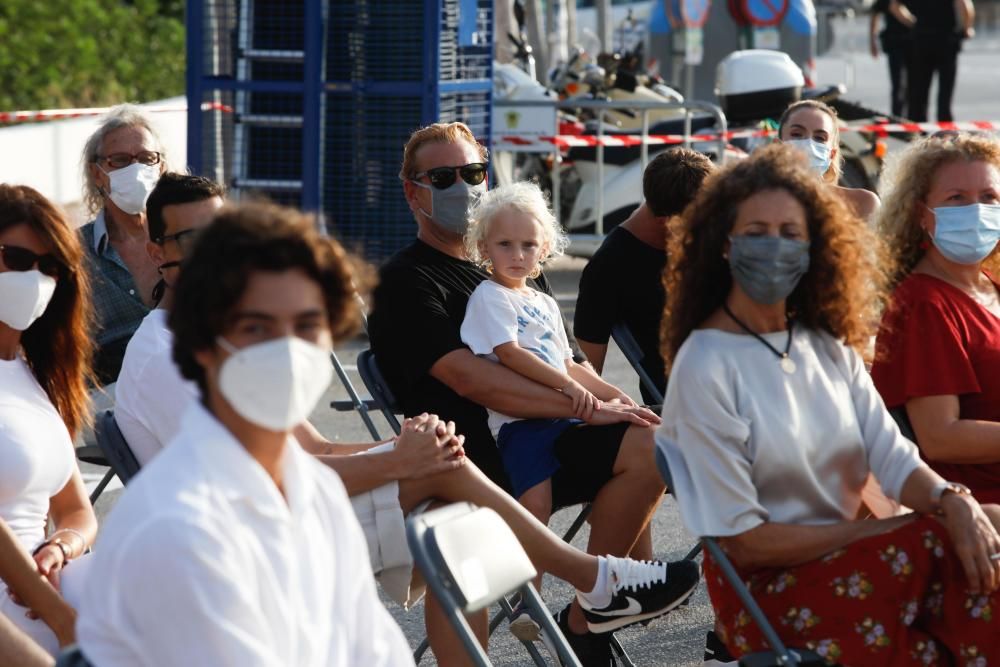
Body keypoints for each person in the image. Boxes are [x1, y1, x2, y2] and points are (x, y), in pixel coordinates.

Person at [112, 182, 697, 666]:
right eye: (193, 238)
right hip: (245, 539)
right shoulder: (167, 353)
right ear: (157, 247)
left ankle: (594, 584)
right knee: (452, 499)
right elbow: (263, 482)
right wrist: (399, 461)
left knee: (453, 499)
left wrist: (400, 445)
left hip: (284, 513)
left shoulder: (223, 337)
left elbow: (308, 446)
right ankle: (595, 582)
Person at [657, 143, 1000, 664]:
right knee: (970, 568)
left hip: (869, 559)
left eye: (792, 234)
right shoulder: (706, 364)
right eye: (756, 233)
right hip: (773, 594)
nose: (775, 247)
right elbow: (746, 544)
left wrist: (952, 499)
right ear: (723, 245)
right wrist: (893, 528)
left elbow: (896, 459)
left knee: (982, 531)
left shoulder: (827, 348)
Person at [369, 121, 695, 664]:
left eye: (473, 172)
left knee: (658, 437)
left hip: (549, 443)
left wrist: (613, 405)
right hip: (465, 463)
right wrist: (588, 408)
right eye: (443, 176)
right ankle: (596, 598)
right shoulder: (406, 281)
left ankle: (588, 615)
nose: (463, 187)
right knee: (460, 533)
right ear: (412, 191)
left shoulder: (514, 263)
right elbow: (472, 378)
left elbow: (564, 359)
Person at [76, 203, 414, 666]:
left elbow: (376, 651)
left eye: (307, 326)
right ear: (202, 344)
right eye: (256, 327)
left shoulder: (312, 489)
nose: (287, 349)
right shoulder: (176, 527)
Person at [459, 180, 636, 548]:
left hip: (567, 419)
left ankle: (616, 574)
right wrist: (568, 387)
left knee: (617, 472)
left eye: (528, 245)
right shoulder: (489, 297)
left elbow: (568, 363)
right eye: (505, 244)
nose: (517, 255)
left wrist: (614, 393)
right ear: (483, 247)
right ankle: (530, 598)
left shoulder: (544, 302)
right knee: (535, 507)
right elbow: (509, 353)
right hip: (521, 425)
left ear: (544, 249)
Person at [871, 133, 1000, 505]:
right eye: (956, 198)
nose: (976, 210)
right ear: (920, 214)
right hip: (978, 509)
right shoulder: (923, 304)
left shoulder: (988, 285)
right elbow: (940, 436)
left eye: (989, 197)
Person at [0, 185, 98, 655]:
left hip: (46, 590)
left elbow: (77, 510)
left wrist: (60, 546)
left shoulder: (36, 373)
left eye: (50, 267)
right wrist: (62, 620)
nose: (34, 278)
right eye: (16, 259)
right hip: (27, 612)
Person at [574, 148, 714, 405]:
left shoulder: (710, 240)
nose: (712, 227)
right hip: (689, 405)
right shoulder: (609, 268)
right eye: (701, 222)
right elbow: (586, 371)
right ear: (666, 221)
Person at [113, 173, 224, 465]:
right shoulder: (162, 358)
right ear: (157, 254)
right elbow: (251, 479)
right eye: (192, 240)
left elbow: (315, 447)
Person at [79, 104, 167, 384]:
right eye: (119, 160)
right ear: (96, 173)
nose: (136, 169)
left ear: (161, 167)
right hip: (110, 398)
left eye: (146, 158)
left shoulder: (190, 240)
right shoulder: (74, 252)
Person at [778, 100, 881, 222]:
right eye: (797, 134)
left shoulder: (862, 203)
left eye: (820, 138)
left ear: (831, 154)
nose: (808, 144)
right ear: (777, 146)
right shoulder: (758, 201)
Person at [892, 0, 975, 122]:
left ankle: (918, 132)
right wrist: (967, 28)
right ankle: (945, 133)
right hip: (946, 40)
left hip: (922, 39)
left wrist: (913, 23)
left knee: (919, 92)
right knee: (945, 93)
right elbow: (965, 5)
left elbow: (894, 5)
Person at [869, 0, 912, 117]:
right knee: (899, 84)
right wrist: (872, 41)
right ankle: (898, 118)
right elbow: (876, 13)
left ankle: (911, 118)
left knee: (912, 84)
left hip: (915, 42)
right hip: (896, 43)